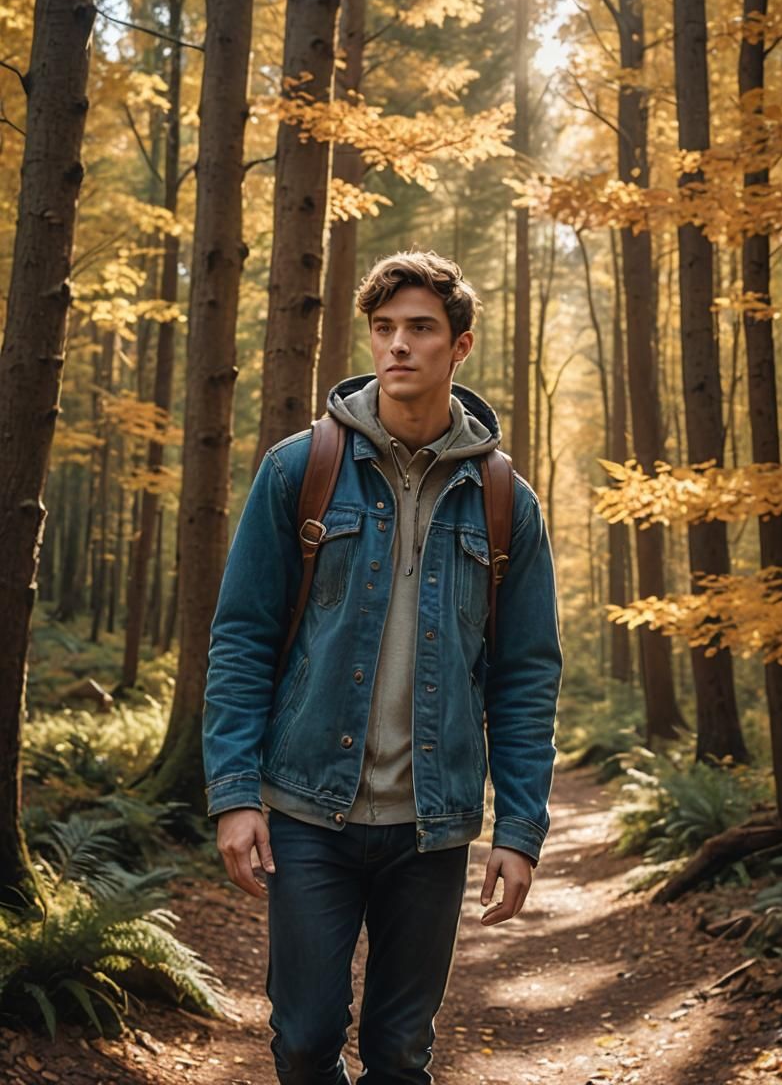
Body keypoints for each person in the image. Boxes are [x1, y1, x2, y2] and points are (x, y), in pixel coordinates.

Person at [203, 250, 562, 1085]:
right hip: (304, 810)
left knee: (401, 1053)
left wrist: (519, 831)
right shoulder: (300, 471)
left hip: (430, 827)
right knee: (302, 1040)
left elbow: (525, 677)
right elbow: (243, 637)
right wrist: (233, 795)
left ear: (459, 346)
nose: (399, 345)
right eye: (384, 328)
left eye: (421, 329)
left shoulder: (507, 501)